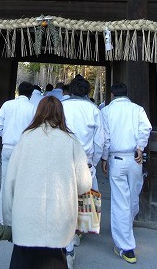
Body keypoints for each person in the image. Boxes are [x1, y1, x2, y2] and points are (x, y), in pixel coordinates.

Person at [3, 96, 92, 269]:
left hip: (25, 219)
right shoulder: (71, 141)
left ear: (38, 112)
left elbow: (9, 182)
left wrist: (9, 218)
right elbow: (84, 184)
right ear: (61, 114)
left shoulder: (25, 139)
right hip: (59, 219)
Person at [101, 83, 152, 264]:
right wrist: (140, 147)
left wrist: (104, 158)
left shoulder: (106, 111)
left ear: (113, 94)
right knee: (132, 197)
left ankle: (126, 246)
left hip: (116, 159)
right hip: (135, 159)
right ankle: (126, 228)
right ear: (127, 94)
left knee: (120, 200)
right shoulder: (137, 109)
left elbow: (105, 137)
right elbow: (145, 128)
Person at [61, 75, 104, 267]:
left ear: (70, 91)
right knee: (82, 201)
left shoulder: (61, 106)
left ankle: (67, 245)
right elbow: (99, 142)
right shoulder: (93, 110)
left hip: (62, 161)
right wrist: (93, 161)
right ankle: (76, 235)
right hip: (85, 163)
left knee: (64, 203)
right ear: (87, 92)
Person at [0, 81, 36, 223]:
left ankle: (3, 218)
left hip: (7, 147)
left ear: (18, 90)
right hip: (24, 148)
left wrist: (6, 135)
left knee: (5, 183)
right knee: (22, 183)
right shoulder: (32, 108)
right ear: (31, 94)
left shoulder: (7, 105)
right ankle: (18, 219)